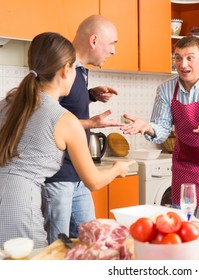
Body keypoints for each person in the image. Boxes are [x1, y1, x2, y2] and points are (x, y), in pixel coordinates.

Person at [0, 32, 133, 249]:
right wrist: (118, 167)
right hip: (21, 207)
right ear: (66, 70)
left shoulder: (7, 103)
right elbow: (94, 181)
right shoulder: (64, 120)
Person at [120, 36, 199, 216]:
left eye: (190, 57)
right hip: (185, 163)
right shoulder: (166, 89)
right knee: (182, 222)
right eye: (178, 57)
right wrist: (148, 127)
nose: (183, 64)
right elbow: (162, 128)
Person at [44, 15, 125, 243]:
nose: (113, 51)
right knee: (58, 247)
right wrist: (92, 124)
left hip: (78, 173)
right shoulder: (62, 67)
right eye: (112, 44)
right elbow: (47, 121)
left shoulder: (78, 71)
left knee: (90, 242)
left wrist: (89, 96)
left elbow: (64, 108)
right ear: (94, 40)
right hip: (58, 176)